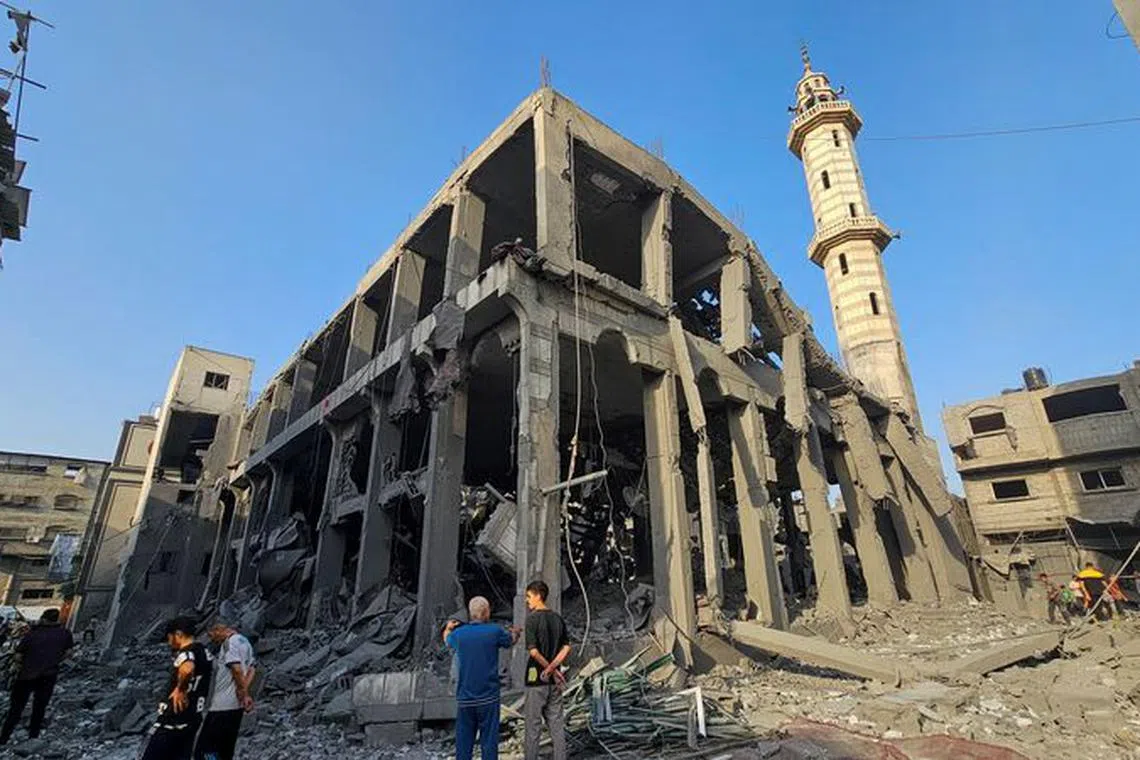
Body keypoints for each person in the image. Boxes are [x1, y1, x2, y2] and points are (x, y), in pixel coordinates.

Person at [443, 596, 518, 760]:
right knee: (489, 743)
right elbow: (511, 640)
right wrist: (515, 633)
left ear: (471, 614)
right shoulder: (495, 631)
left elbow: (447, 640)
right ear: (486, 612)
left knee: (464, 743)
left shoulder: (459, 634)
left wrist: (448, 627)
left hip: (465, 698)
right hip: (489, 697)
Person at [139, 616, 213, 760]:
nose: (169, 642)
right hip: (192, 718)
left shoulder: (186, 652)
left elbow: (187, 668)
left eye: (170, 637)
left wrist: (181, 689)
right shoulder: (204, 651)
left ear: (178, 634)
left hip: (172, 721)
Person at [0, 608, 73, 745]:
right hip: (48, 675)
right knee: (39, 707)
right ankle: (33, 737)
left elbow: (18, 655)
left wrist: (19, 666)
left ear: (43, 619)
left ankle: (4, 738)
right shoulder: (65, 633)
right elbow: (68, 653)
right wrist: (55, 661)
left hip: (26, 675)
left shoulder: (32, 634)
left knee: (16, 709)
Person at [195, 618, 256, 760]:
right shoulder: (245, 641)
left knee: (206, 751)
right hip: (236, 707)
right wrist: (245, 694)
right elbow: (252, 669)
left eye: (211, 635)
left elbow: (236, 669)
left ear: (218, 630)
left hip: (221, 707)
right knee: (226, 748)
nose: (212, 640)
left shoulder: (230, 643)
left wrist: (242, 691)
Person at [523, 580, 570, 760]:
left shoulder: (532, 619)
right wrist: (554, 669)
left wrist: (548, 669)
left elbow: (533, 651)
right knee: (557, 725)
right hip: (554, 681)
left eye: (529, 596)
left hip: (536, 679)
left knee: (533, 726)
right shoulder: (558, 618)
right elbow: (566, 647)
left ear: (538, 596)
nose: (527, 600)